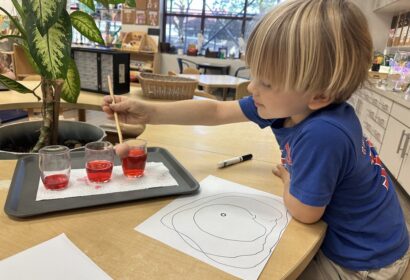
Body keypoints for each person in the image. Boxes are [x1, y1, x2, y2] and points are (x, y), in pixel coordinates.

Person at [102, 0, 409, 279]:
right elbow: (216, 112)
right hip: (372, 242)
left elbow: (305, 212)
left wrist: (290, 179)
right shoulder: (289, 105)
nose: (252, 87)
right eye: (254, 74)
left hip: (365, 262)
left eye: (267, 81)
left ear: (319, 95)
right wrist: (149, 112)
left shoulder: (323, 133)